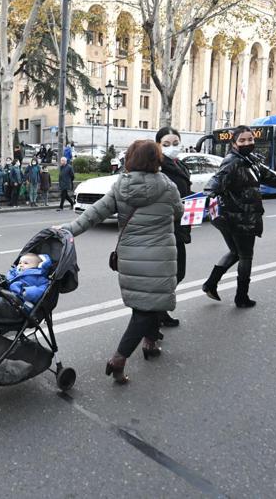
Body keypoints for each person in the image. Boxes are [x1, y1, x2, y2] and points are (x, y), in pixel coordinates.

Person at [59, 140, 182, 383]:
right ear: (156, 159)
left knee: (148, 305)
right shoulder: (168, 186)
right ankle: (118, 359)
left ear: (130, 159)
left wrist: (65, 231)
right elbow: (178, 213)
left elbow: (94, 213)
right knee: (145, 310)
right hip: (159, 257)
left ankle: (150, 343)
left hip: (130, 257)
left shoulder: (120, 186)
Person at [202, 125, 276, 308]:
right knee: (245, 256)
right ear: (234, 143)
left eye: (250, 139)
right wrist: (209, 192)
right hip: (239, 217)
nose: (247, 143)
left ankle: (210, 284)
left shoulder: (250, 160)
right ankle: (241, 297)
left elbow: (269, 176)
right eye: (242, 140)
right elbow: (217, 180)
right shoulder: (233, 162)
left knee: (235, 253)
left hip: (235, 216)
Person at [156, 127, 191, 327]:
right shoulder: (157, 167)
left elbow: (184, 189)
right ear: (158, 146)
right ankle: (156, 313)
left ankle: (160, 311)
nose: (172, 148)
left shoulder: (180, 164)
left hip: (180, 224)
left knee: (178, 273)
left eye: (175, 144)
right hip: (167, 227)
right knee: (172, 273)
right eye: (167, 145)